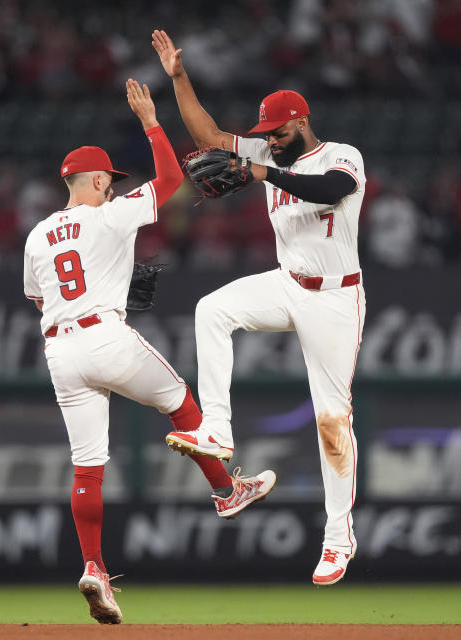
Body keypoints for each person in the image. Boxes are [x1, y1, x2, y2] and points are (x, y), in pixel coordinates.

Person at [23, 79, 274, 624]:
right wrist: (152, 121)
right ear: (94, 179)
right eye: (109, 181)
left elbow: (39, 296)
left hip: (60, 353)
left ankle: (94, 567)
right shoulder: (109, 215)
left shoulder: (39, 234)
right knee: (183, 403)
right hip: (105, 336)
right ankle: (227, 492)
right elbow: (168, 178)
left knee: (87, 469)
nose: (113, 188)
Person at [153, 30, 366, 586]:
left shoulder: (341, 155)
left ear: (300, 122)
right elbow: (210, 136)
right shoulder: (267, 151)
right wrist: (179, 79)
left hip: (336, 295)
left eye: (277, 132)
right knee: (211, 309)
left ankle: (338, 536)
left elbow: (328, 189)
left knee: (330, 421)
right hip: (288, 281)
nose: (268, 140)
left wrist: (263, 171)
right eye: (265, 135)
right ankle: (218, 430)